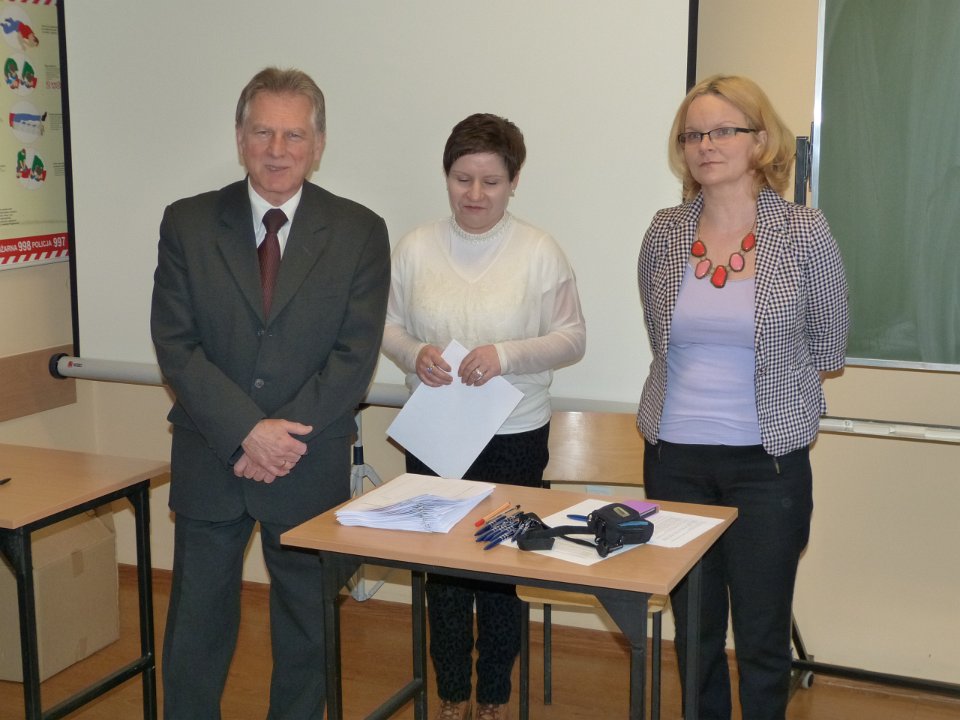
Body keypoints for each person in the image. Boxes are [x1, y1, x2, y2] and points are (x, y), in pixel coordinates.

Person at [150, 67, 390, 719]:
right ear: (239, 138)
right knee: (196, 629)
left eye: (294, 135)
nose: (277, 150)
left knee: (308, 631)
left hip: (307, 460)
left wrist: (280, 439)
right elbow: (175, 342)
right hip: (212, 454)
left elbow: (354, 355)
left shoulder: (360, 231)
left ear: (318, 144)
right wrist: (246, 432)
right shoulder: (188, 222)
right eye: (262, 132)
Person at [636, 74, 848, 720]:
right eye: (692, 135)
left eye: (723, 131)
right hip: (675, 460)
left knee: (761, 636)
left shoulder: (805, 232)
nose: (705, 145)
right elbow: (658, 331)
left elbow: (830, 345)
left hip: (767, 466)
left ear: (760, 141)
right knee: (694, 633)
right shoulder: (664, 232)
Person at [382, 113, 586, 720]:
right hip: (437, 432)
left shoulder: (540, 251)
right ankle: (451, 695)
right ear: (446, 176)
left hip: (514, 435)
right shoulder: (415, 247)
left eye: (491, 182)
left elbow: (572, 338)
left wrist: (505, 356)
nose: (474, 194)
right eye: (461, 179)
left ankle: (494, 697)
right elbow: (385, 327)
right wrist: (413, 354)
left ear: (514, 181)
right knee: (443, 571)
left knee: (501, 569)